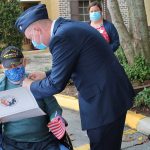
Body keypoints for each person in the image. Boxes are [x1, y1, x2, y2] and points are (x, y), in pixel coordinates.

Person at [15, 4, 135, 150]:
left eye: (30, 37)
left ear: (37, 30)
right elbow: (73, 62)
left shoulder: (61, 37)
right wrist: (45, 74)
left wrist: (30, 86)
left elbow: (55, 85)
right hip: (111, 96)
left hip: (103, 103)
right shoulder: (68, 26)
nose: (34, 42)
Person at [0, 46, 71, 150]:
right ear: (2, 67)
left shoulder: (36, 82)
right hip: (12, 142)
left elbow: (53, 107)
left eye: (17, 64)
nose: (13, 68)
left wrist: (56, 118)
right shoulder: (1, 87)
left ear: (24, 62)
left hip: (43, 140)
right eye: (9, 66)